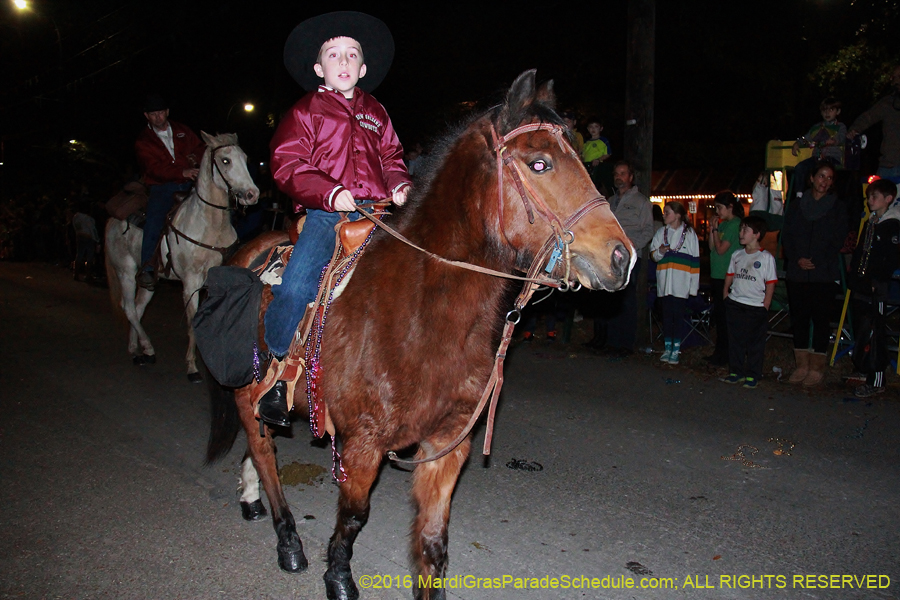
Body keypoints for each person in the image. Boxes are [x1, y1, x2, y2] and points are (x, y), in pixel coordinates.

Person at [256, 11, 411, 427]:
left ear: (363, 68)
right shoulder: (306, 110)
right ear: (318, 67)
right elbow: (286, 163)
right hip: (327, 215)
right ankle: (277, 370)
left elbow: (392, 156)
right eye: (333, 54)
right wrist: (331, 193)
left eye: (351, 55)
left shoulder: (376, 110)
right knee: (296, 286)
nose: (343, 62)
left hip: (379, 214)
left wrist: (399, 184)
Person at [781, 161, 848, 386]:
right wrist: (796, 258)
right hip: (797, 272)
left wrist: (816, 261)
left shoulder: (837, 207)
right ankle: (801, 365)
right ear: (812, 178)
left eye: (829, 178)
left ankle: (817, 368)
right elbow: (787, 236)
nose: (824, 182)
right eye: (821, 176)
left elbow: (837, 239)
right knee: (799, 318)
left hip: (823, 273)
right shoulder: (796, 206)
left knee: (821, 320)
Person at [134, 94, 205, 290]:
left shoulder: (183, 130)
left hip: (190, 183)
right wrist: (181, 171)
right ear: (146, 116)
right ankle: (147, 266)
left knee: (217, 206)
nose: (158, 117)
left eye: (160, 113)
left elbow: (199, 148)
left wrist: (198, 163)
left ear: (167, 112)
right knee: (155, 220)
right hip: (162, 187)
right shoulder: (143, 141)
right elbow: (153, 168)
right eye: (153, 114)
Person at [584, 160, 655, 355]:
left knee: (627, 299)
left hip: (630, 258)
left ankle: (626, 344)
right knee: (611, 299)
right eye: (616, 173)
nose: (618, 177)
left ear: (630, 177)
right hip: (608, 258)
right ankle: (612, 342)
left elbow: (648, 230)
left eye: (623, 173)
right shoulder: (610, 203)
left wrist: (631, 248)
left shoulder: (641, 202)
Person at [847, 178, 900, 397]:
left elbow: (891, 258)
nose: (870, 200)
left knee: (875, 332)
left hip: (876, 287)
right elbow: (861, 252)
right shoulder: (871, 222)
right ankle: (865, 368)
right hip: (862, 285)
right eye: (868, 196)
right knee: (862, 329)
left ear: (888, 199)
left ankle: (877, 379)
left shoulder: (892, 225)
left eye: (874, 197)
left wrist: (875, 279)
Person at [719, 216, 777, 389]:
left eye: (746, 230)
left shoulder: (766, 258)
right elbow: (730, 275)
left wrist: (766, 304)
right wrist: (725, 294)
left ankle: (753, 374)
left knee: (754, 343)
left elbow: (771, 283)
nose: (741, 233)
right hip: (736, 302)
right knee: (735, 340)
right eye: (741, 229)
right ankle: (735, 372)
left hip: (756, 306)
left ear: (757, 234)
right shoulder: (737, 255)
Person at [650, 201, 699, 365]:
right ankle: (667, 347)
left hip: (681, 284)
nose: (664, 215)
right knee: (666, 315)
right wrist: (660, 252)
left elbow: (695, 261)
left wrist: (693, 287)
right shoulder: (660, 233)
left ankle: (676, 349)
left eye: (667, 212)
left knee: (678, 316)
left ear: (677, 215)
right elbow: (653, 256)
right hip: (665, 284)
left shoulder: (690, 234)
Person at [705, 190, 744, 366]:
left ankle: (727, 354)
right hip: (717, 274)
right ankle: (720, 353)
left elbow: (722, 250)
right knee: (720, 316)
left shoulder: (735, 224)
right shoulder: (724, 224)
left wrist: (714, 229)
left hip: (727, 276)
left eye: (720, 208)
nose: (717, 211)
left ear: (730, 207)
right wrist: (712, 229)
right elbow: (712, 247)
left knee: (726, 317)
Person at [848, 65, 900, 179]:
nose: (896, 81)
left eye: (899, 77)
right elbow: (868, 117)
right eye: (894, 77)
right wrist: (854, 130)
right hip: (889, 165)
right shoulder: (887, 103)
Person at [791, 97, 846, 196]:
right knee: (800, 167)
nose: (827, 113)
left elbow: (842, 137)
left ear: (838, 112)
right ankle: (799, 194)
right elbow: (806, 138)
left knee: (823, 170)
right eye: (825, 110)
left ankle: (827, 194)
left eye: (831, 110)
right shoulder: (816, 127)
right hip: (817, 157)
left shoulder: (840, 126)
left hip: (832, 158)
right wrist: (797, 143)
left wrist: (834, 141)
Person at [71, 203, 100, 282]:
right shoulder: (88, 218)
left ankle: (76, 274)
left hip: (79, 235)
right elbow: (92, 230)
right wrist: (97, 240)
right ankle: (88, 275)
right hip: (88, 237)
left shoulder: (76, 217)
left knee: (79, 255)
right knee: (89, 256)